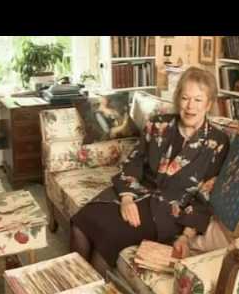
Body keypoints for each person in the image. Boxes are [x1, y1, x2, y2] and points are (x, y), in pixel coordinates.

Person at [71, 67, 230, 276]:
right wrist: (127, 198)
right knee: (81, 222)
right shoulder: (157, 125)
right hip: (134, 192)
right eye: (185, 98)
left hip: (166, 212)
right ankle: (73, 288)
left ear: (209, 104)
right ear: (177, 99)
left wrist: (185, 236)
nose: (190, 106)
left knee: (107, 238)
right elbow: (134, 161)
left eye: (198, 100)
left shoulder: (217, 142)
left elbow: (204, 196)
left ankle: (91, 293)